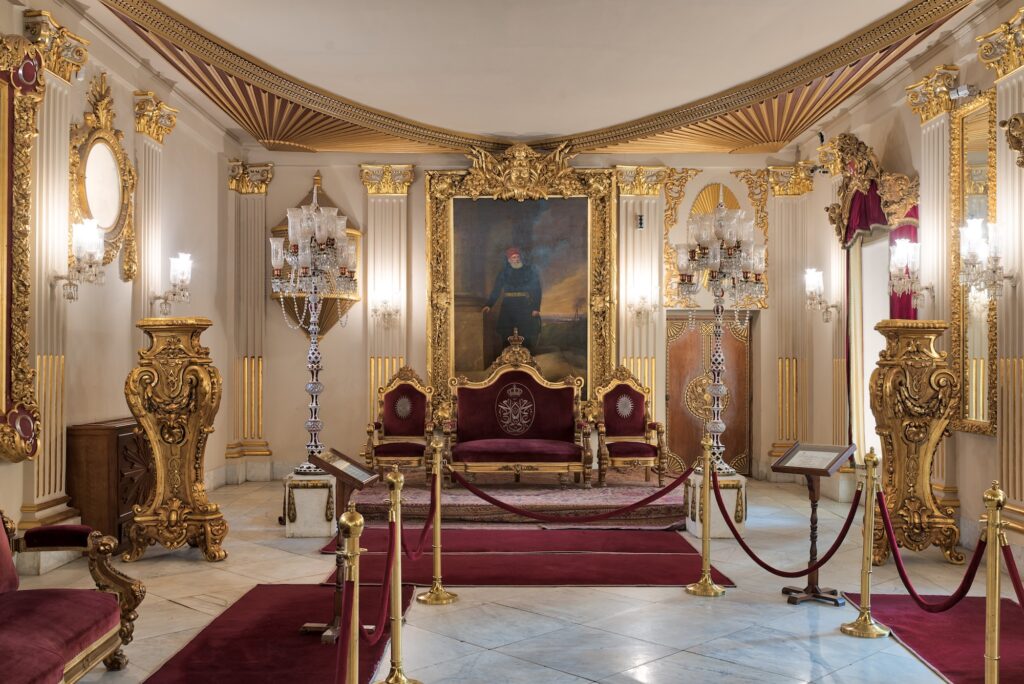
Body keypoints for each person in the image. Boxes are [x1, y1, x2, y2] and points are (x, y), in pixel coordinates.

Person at [481, 247, 542, 352]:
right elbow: (496, 289)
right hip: (508, 305)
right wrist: (489, 305)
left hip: (525, 305)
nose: (516, 259)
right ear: (509, 260)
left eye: (517, 257)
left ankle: (526, 355)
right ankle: (507, 355)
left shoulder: (529, 271)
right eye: (513, 257)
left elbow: (537, 289)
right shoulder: (504, 272)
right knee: (506, 330)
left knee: (526, 330)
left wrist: (536, 307)